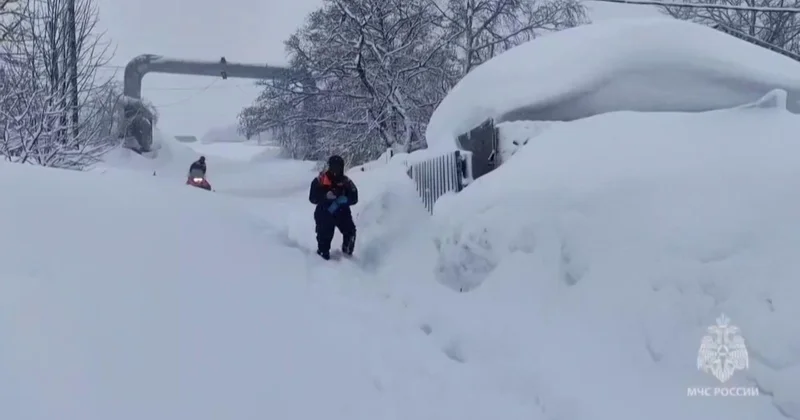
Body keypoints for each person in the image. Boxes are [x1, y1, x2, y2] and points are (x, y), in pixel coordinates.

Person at [308, 155, 358, 260]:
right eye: (334, 167)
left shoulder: (346, 182)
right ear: (329, 167)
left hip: (342, 212)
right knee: (324, 235)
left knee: (350, 231)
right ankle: (322, 256)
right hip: (324, 212)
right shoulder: (320, 180)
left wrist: (345, 199)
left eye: (339, 167)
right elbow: (312, 198)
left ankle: (347, 255)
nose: (336, 170)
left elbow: (354, 197)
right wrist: (325, 196)